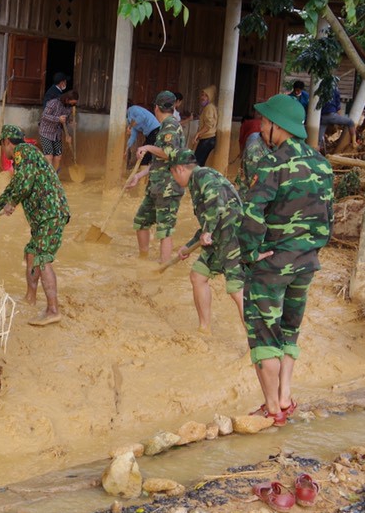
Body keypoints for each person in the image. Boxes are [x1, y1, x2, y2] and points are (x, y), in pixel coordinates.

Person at [238, 95, 333, 426]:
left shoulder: (272, 163)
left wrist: (250, 253)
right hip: (307, 263)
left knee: (265, 334)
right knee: (290, 330)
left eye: (265, 122)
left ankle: (272, 408)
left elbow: (251, 214)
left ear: (278, 126)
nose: (262, 127)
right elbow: (327, 216)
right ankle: (285, 397)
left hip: (273, 264)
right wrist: (312, 249)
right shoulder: (322, 163)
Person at [0, 125, 70, 326]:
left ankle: (53, 310)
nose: (4, 151)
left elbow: (24, 184)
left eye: (3, 145)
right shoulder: (26, 157)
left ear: (8, 142)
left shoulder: (23, 152)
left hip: (50, 214)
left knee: (42, 257)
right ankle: (30, 298)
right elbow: (13, 187)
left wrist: (13, 203)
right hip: (43, 216)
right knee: (31, 253)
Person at [167, 146, 245, 335]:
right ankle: (204, 329)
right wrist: (187, 246)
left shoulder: (203, 175)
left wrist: (208, 231)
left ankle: (257, 344)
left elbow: (215, 202)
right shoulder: (196, 181)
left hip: (232, 236)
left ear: (179, 169)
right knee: (198, 276)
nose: (174, 180)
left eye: (173, 175)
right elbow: (207, 221)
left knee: (237, 289)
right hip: (217, 238)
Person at [126, 90, 187, 264]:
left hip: (168, 188)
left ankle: (163, 269)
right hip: (156, 185)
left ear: (156, 108)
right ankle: (143, 259)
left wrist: (148, 148)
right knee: (141, 221)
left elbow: (169, 153)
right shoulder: (166, 126)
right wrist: (140, 175)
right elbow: (160, 162)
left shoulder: (170, 126)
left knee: (164, 230)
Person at [38, 90, 78, 171]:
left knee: (58, 157)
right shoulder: (53, 103)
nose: (73, 105)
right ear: (67, 100)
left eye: (74, 104)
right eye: (72, 103)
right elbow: (44, 116)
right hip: (46, 132)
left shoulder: (69, 108)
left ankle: (54, 176)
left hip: (57, 134)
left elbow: (64, 122)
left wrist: (68, 132)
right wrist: (57, 119)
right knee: (49, 156)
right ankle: (48, 177)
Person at [320, 83, 357, 149]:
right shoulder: (335, 90)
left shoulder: (321, 90)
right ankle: (354, 142)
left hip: (322, 118)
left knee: (319, 140)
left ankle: (319, 148)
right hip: (332, 116)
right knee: (350, 122)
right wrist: (339, 119)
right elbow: (338, 108)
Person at [125, 103, 160, 170]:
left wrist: (130, 126)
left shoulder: (133, 109)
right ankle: (143, 178)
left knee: (144, 156)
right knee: (144, 156)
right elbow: (133, 135)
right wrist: (127, 148)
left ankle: (142, 179)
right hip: (150, 134)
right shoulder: (129, 120)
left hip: (155, 131)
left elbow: (142, 117)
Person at [194, 86, 218, 167]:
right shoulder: (209, 107)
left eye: (206, 95)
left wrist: (198, 134)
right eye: (202, 95)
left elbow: (208, 125)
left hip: (207, 139)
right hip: (207, 138)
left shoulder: (209, 108)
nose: (203, 97)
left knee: (196, 163)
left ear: (210, 97)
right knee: (199, 162)